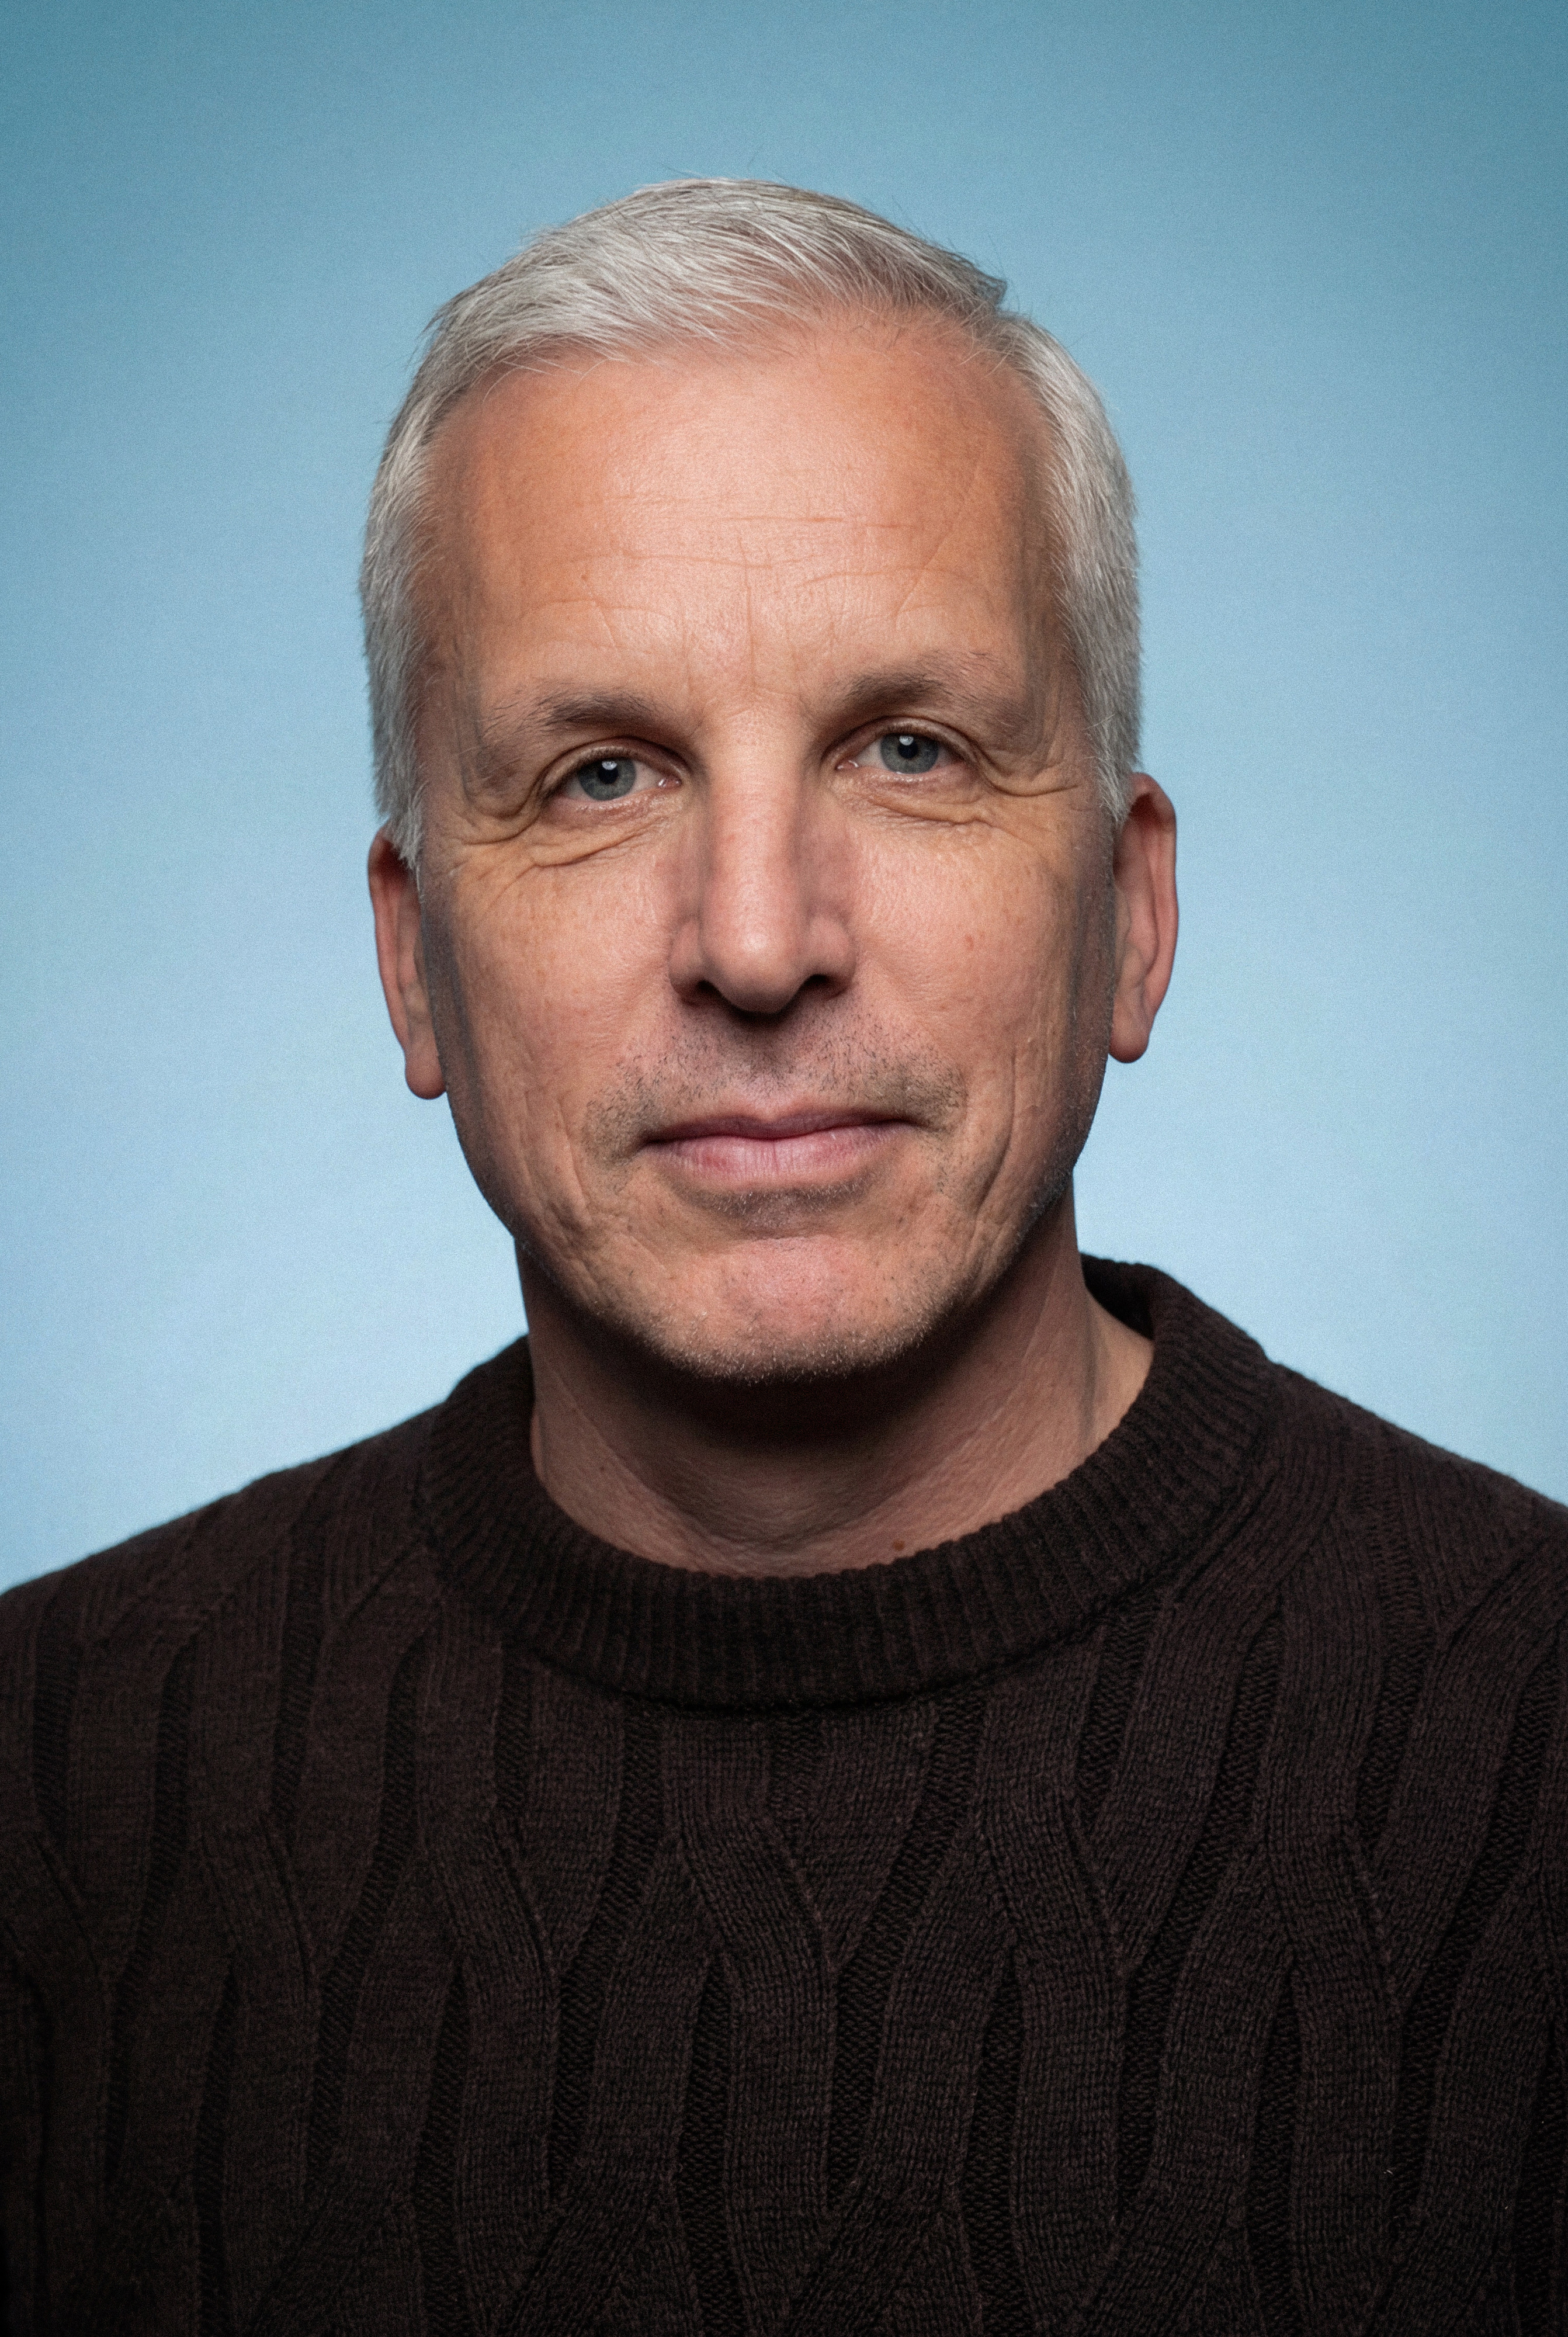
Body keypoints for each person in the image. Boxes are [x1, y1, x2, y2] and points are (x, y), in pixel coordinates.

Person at [2, 180, 1564, 2337]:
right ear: (413, 962)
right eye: (600, 776)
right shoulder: (54, 1781)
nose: (756, 942)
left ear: (1128, 915)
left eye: (910, 749)